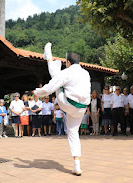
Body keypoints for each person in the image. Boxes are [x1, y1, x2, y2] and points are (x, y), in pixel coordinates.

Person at [33, 43, 91, 176]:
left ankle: (48, 56)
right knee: (73, 132)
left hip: (67, 104)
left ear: (68, 62)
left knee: (55, 79)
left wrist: (37, 92)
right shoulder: (86, 73)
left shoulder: (67, 72)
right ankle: (77, 164)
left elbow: (48, 89)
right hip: (81, 108)